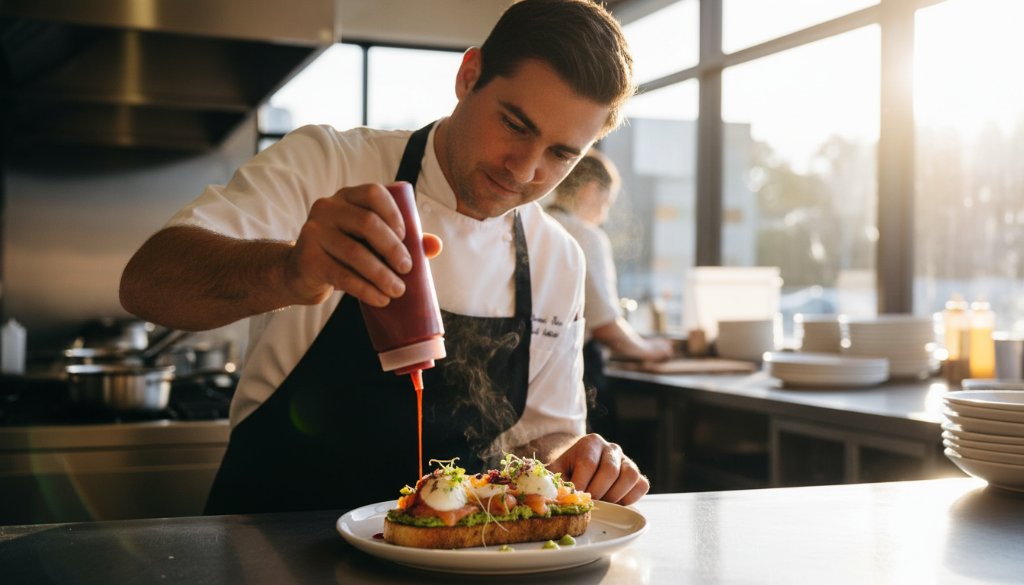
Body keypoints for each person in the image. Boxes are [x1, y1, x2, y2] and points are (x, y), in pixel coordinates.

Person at [120, 0, 650, 514]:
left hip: (452, 555)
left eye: (561, 154)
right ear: (469, 76)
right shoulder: (326, 164)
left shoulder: (557, 257)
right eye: (515, 124)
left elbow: (542, 436)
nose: (525, 169)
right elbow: (147, 283)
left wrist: (573, 460)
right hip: (267, 541)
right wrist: (287, 271)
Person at [546, 153, 673, 438]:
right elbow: (605, 324)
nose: (604, 214)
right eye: (606, 203)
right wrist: (649, 350)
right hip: (576, 373)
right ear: (590, 189)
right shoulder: (584, 235)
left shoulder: (536, 227)